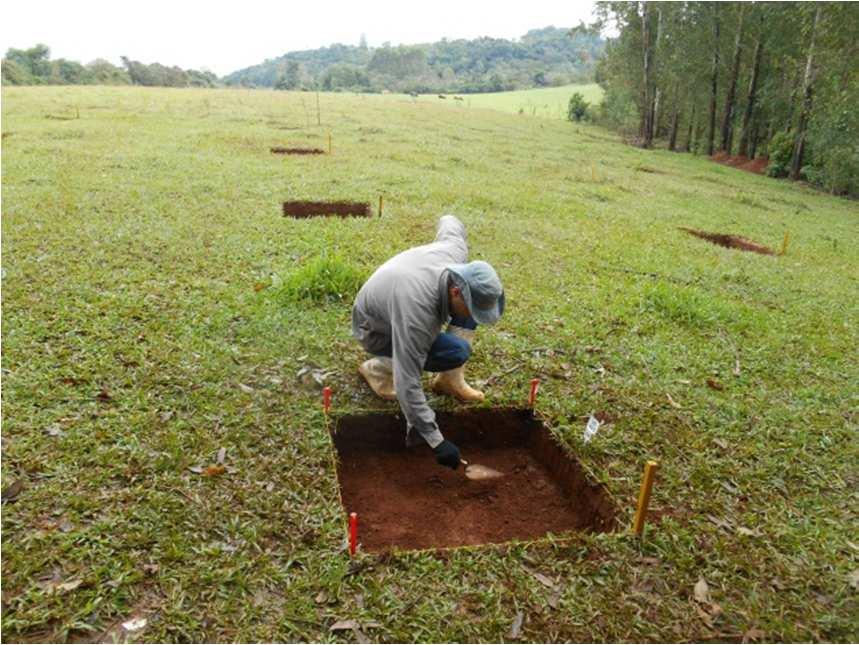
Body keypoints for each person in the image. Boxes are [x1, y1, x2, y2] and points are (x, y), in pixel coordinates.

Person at [351, 215, 505, 470]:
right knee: (454, 351)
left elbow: (452, 224)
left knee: (464, 320)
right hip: (376, 329)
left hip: (400, 301)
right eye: (472, 307)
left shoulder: (456, 256)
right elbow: (408, 382)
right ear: (456, 290)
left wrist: (447, 216)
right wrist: (436, 441)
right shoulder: (418, 316)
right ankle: (379, 368)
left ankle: (448, 381)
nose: (474, 316)